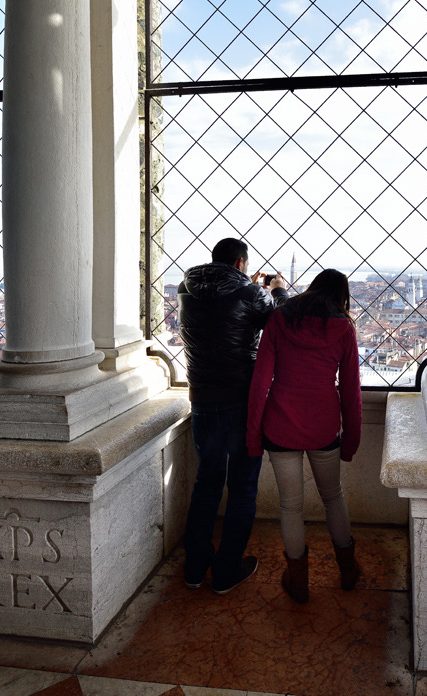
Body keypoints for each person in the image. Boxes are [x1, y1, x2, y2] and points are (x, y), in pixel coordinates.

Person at [178, 238, 287, 594]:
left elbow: (221, 301)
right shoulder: (250, 294)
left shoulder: (186, 289)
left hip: (201, 399)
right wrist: (276, 290)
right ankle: (226, 571)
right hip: (241, 401)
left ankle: (194, 568)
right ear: (241, 263)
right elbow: (281, 326)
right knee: (242, 488)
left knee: (206, 484)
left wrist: (246, 284)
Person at [246, 269, 362, 604]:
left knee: (290, 506)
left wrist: (253, 437)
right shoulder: (344, 328)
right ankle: (348, 570)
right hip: (324, 426)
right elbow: (351, 392)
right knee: (333, 498)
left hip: (280, 425)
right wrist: (351, 441)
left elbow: (260, 383)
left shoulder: (280, 319)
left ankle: (298, 582)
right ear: (341, 295)